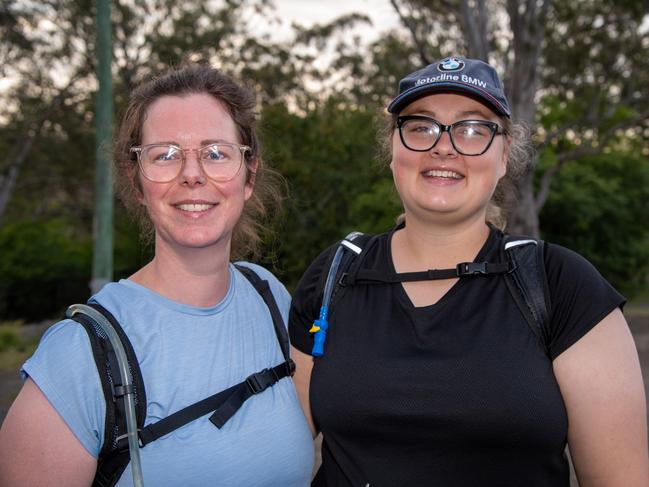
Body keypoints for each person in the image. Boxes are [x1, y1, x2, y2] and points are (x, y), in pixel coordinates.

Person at [289, 56, 649, 486]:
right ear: (393, 151)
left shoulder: (560, 285)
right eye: (420, 126)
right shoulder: (334, 275)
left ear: (503, 157)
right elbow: (278, 450)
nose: (444, 146)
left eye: (473, 129)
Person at [0, 65, 314, 486]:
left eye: (216, 152)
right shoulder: (79, 357)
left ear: (249, 176)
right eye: (164, 154)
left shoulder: (268, 296)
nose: (191, 174)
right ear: (137, 180)